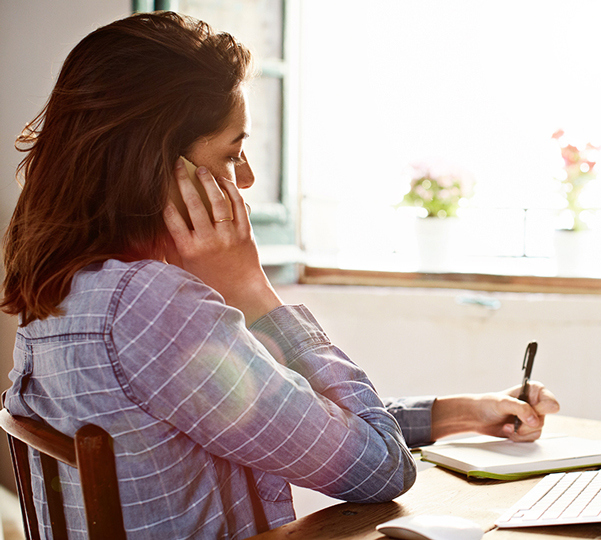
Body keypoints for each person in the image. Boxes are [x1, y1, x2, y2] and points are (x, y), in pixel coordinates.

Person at [0, 11, 559, 539]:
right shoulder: (154, 306)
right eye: (230, 152)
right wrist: (251, 291)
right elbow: (379, 469)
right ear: (153, 163)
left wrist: (459, 413)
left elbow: (292, 415)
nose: (243, 178)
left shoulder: (71, 293)